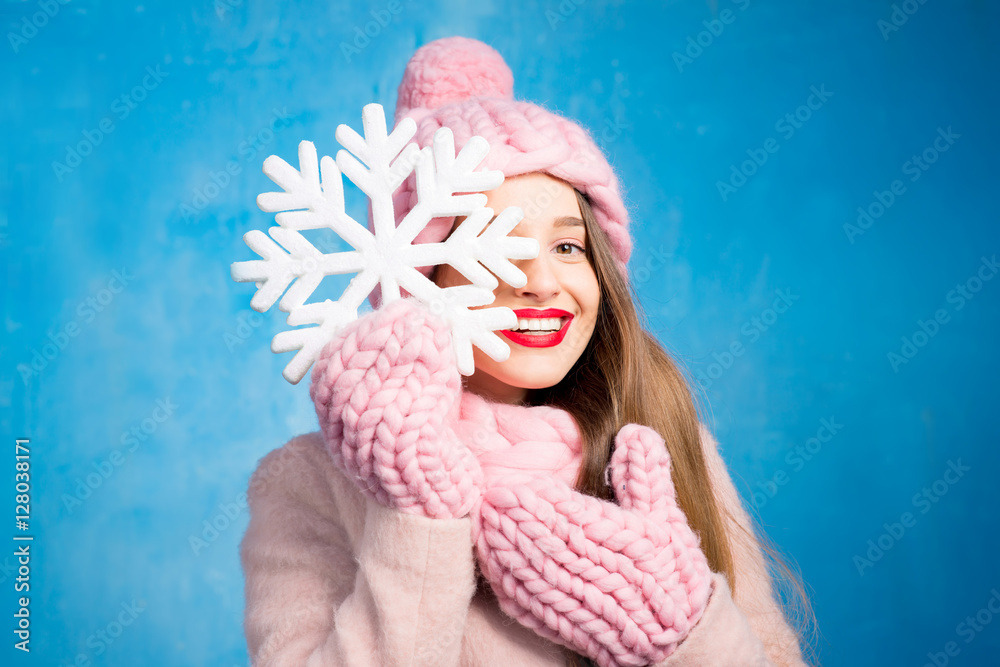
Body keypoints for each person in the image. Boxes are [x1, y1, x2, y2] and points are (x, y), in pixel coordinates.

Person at [240, 36, 817, 666]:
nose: (541, 282)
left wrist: (680, 632)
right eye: (497, 246)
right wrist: (418, 517)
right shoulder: (310, 483)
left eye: (568, 248)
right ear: (423, 280)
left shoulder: (669, 440)